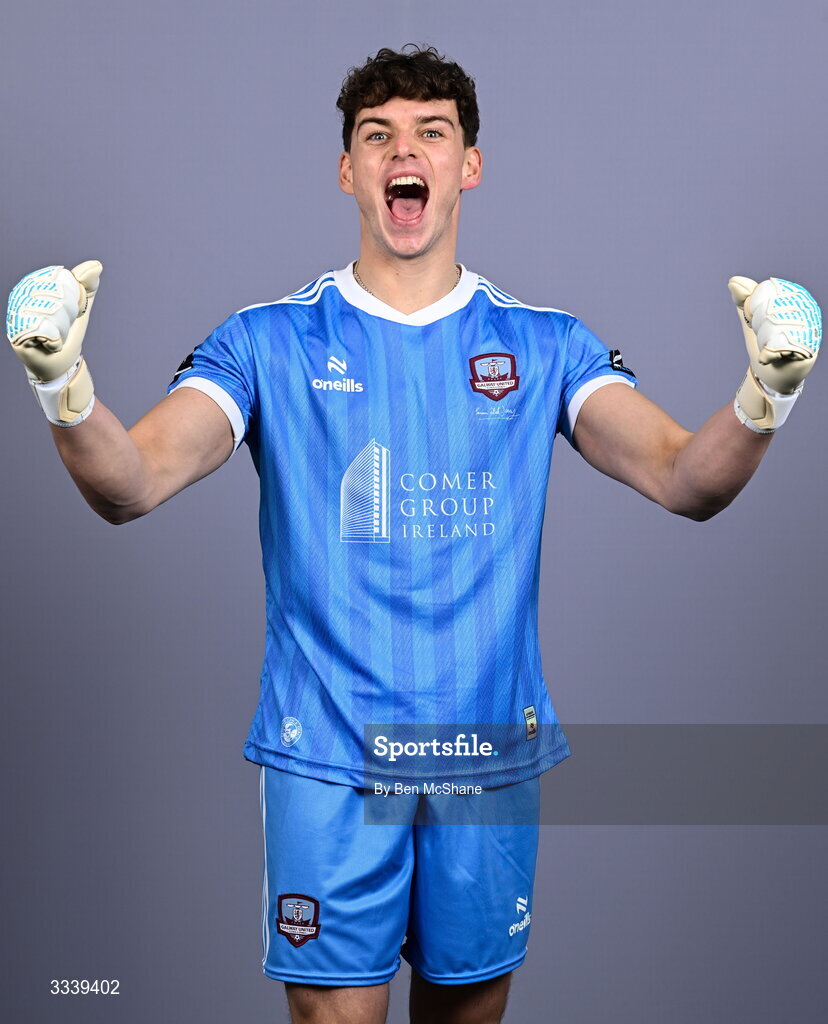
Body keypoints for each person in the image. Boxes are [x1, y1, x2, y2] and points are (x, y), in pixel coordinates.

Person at [5, 44, 821, 1024]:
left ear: (467, 165)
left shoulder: (544, 344)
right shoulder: (268, 341)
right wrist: (62, 384)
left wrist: (767, 393)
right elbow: (131, 483)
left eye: (432, 132)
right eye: (378, 135)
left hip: (485, 754)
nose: (406, 151)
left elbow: (686, 479)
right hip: (330, 758)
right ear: (346, 169)